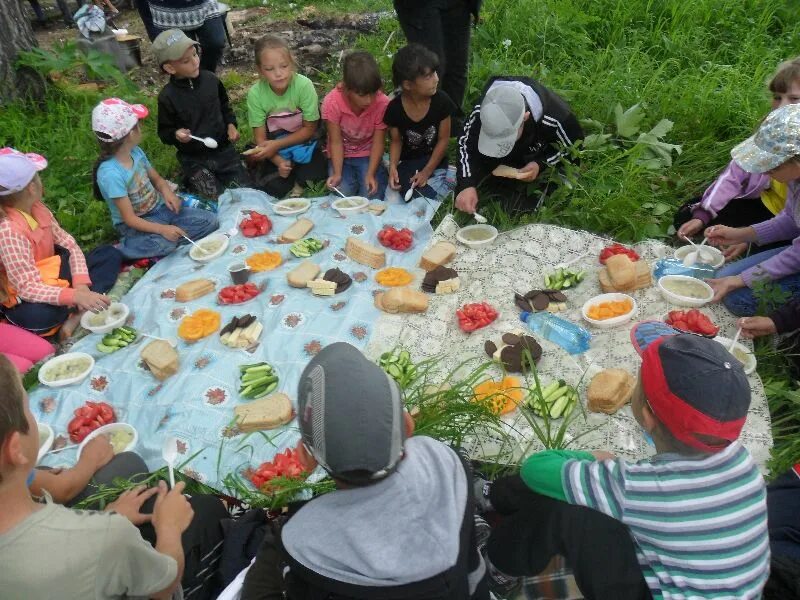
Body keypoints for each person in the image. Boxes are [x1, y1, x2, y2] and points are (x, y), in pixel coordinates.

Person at [478, 325, 769, 599]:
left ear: (646, 416)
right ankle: (496, 496)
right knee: (578, 488)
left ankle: (497, 567)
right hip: (704, 584)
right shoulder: (743, 462)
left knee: (569, 510)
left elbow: (535, 469)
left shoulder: (638, 487)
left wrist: (589, 457)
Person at [241, 342, 489, 599]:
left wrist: (273, 545)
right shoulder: (449, 464)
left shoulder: (302, 542)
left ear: (305, 458)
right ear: (408, 424)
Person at [0, 353, 194, 599]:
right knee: (206, 511)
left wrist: (105, 518)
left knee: (128, 464)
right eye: (29, 410)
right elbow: (163, 586)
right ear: (15, 449)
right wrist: (170, 527)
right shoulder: (107, 535)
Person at [674, 57, 800, 260]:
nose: (783, 105)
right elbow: (735, 173)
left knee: (771, 254)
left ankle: (756, 249)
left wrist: (748, 239)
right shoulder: (771, 128)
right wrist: (704, 214)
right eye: (777, 97)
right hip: (768, 208)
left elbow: (791, 222)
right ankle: (752, 244)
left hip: (789, 221)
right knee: (687, 215)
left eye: (794, 99)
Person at [0, 148, 121, 338]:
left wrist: (80, 285)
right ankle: (78, 309)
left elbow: (69, 245)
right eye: (38, 177)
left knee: (108, 254)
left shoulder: (38, 209)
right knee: (39, 317)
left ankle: (78, 309)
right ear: (32, 187)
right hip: (28, 296)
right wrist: (74, 296)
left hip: (56, 275)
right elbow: (26, 287)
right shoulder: (9, 231)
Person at [92, 97, 219, 260]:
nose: (141, 127)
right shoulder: (110, 174)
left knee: (210, 221)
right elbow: (129, 219)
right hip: (136, 224)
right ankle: (125, 248)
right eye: (138, 124)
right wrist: (161, 229)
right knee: (164, 244)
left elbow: (157, 180)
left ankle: (168, 240)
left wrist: (168, 193)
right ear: (131, 133)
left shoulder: (136, 152)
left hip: (160, 209)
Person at [706, 103, 800, 316]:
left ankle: (789, 323)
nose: (766, 172)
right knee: (725, 275)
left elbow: (798, 255)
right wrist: (743, 234)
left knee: (738, 300)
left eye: (773, 166)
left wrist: (740, 280)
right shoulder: (795, 178)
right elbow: (790, 220)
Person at [455, 76, 583, 215]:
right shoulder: (482, 110)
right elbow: (465, 143)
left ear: (525, 117)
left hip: (538, 153)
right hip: (499, 159)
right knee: (465, 187)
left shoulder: (557, 118)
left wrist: (540, 164)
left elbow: (571, 148)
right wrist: (466, 184)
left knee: (519, 209)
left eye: (506, 136)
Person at [154, 29, 249, 200]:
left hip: (223, 151)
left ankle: (224, 173)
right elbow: (165, 133)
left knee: (246, 190)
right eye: (186, 60)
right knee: (216, 197)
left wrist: (231, 125)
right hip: (193, 158)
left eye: (195, 54)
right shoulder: (167, 97)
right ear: (170, 68)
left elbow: (225, 106)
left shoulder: (211, 80)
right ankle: (191, 179)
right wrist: (176, 134)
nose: (194, 61)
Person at [245, 35, 327, 199]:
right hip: (274, 144)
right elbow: (261, 139)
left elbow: (309, 129)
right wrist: (278, 161)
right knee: (272, 186)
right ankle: (291, 174)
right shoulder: (255, 94)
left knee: (317, 172)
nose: (278, 74)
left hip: (305, 141)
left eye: (284, 66)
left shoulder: (304, 85)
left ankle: (299, 179)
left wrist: (276, 144)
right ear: (260, 70)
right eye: (269, 69)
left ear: (292, 62)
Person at [385, 43, 456, 199]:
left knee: (432, 186)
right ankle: (432, 193)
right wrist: (393, 167)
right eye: (428, 76)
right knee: (403, 185)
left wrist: (426, 172)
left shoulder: (442, 102)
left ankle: (440, 185)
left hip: (435, 160)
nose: (436, 79)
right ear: (408, 84)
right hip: (409, 161)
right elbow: (396, 141)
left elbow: (444, 140)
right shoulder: (394, 109)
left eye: (435, 73)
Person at [392, 0, 478, 121]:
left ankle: (452, 124)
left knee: (457, 66)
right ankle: (420, 125)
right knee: (429, 69)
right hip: (420, 6)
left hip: (460, 4)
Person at [322, 50, 390, 200]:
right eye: (362, 95)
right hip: (341, 155)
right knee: (343, 192)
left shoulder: (382, 103)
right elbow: (335, 142)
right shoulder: (332, 102)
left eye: (373, 93)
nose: (369, 100)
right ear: (346, 88)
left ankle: (378, 171)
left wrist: (371, 173)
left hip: (367, 155)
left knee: (371, 193)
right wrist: (337, 173)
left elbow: (379, 143)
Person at [138, 0, 227, 72]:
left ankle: (206, 75)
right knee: (185, 55)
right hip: (171, 12)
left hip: (205, 5)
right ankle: (192, 84)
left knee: (216, 42)